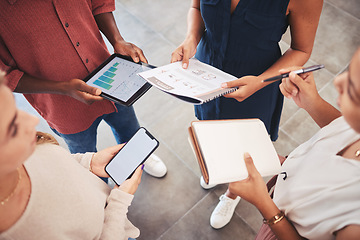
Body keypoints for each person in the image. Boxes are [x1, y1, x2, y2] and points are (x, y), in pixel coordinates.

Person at [171, 0, 322, 228]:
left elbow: (301, 49)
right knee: (208, 127)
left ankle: (233, 193)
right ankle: (218, 166)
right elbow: (195, 8)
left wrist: (260, 82)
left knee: (244, 150)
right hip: (207, 72)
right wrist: (191, 38)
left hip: (256, 83)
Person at [0, 0, 166, 179]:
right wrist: (63, 88)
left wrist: (117, 39)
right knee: (88, 161)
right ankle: (101, 191)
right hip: (61, 106)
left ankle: (138, 157)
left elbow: (99, 3)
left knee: (129, 128)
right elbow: (6, 75)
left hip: (110, 79)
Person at [228, 48, 360, 239]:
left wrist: (264, 204)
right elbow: (342, 127)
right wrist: (311, 101)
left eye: (354, 87)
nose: (338, 81)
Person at [0, 71, 143, 240]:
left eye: (16, 110)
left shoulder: (26, 151)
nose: (33, 121)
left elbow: (52, 168)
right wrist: (119, 202)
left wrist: (89, 162)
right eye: (13, 128)